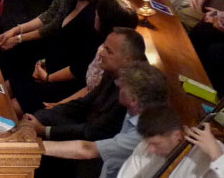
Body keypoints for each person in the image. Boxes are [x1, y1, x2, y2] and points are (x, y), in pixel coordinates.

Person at [38, 63, 173, 178]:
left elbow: (88, 150)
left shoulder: (140, 135)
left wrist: (34, 146)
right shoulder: (137, 109)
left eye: (122, 86)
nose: (118, 85)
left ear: (134, 100)